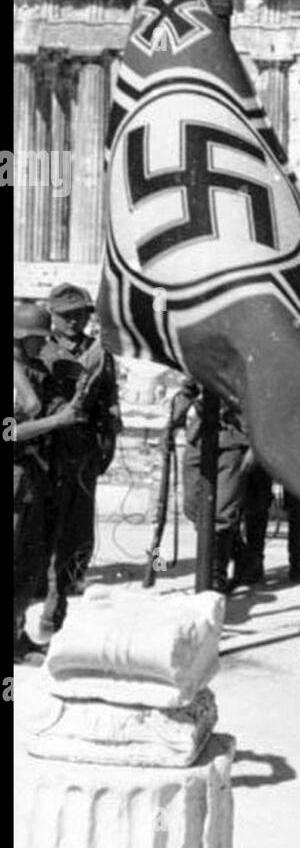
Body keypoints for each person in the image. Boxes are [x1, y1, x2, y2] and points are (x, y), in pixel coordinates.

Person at [38, 283, 121, 635]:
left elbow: (109, 397)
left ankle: (59, 608)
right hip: (43, 455)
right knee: (39, 532)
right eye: (65, 316)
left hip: (82, 453)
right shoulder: (37, 349)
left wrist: (111, 433)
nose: (74, 322)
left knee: (77, 533)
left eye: (80, 315)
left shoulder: (99, 352)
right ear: (52, 316)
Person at [13, 304, 83, 662]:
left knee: (27, 564)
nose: (44, 346)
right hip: (14, 480)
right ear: (21, 340)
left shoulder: (31, 369)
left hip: (33, 479)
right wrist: (55, 423)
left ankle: (16, 636)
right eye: (38, 340)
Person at [173, 380, 251, 593]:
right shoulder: (201, 351)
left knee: (221, 514)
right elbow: (187, 389)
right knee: (193, 509)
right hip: (200, 436)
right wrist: (171, 424)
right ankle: (247, 559)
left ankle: (215, 578)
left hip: (235, 439)